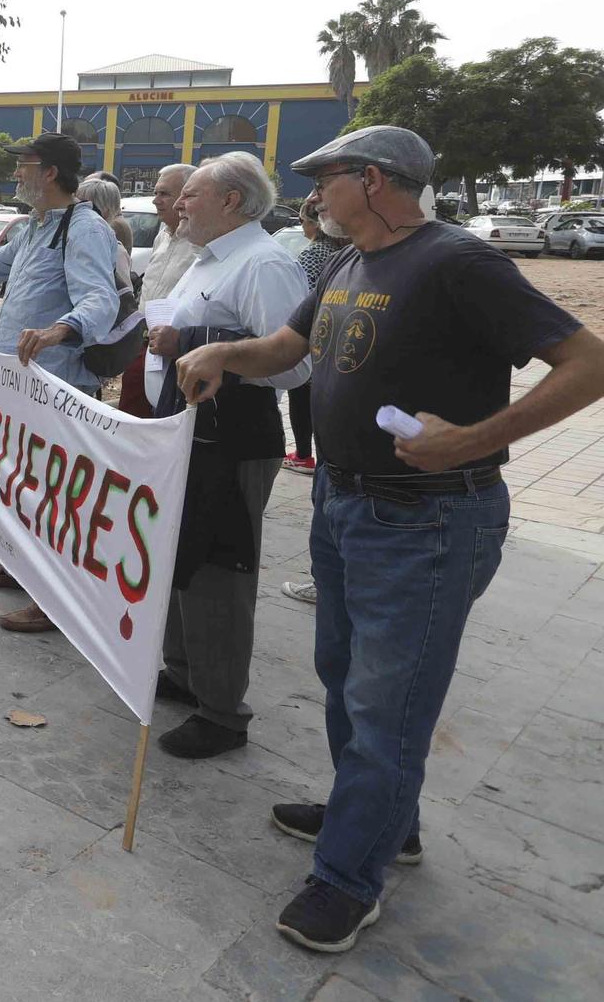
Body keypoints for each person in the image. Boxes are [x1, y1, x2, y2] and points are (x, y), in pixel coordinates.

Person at [173, 125, 604, 954]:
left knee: (387, 705)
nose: (313, 196)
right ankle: (380, 824)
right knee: (344, 678)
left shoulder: (457, 262)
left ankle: (347, 879)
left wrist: (473, 438)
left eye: (325, 180)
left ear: (372, 181)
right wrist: (227, 350)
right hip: (345, 503)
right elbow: (286, 347)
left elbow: (588, 362)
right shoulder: (344, 261)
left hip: (429, 516)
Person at [145, 153, 312, 761]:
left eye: (189, 194)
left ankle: (221, 712)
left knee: (219, 571)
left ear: (232, 201)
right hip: (184, 429)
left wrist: (193, 342)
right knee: (178, 556)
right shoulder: (205, 260)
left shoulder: (264, 263)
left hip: (232, 439)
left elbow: (295, 364)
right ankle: (186, 673)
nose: (177, 204)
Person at [0, 133, 121, 633]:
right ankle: (18, 566)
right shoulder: (37, 226)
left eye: (24, 165)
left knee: (53, 493)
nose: (16, 174)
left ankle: (54, 601)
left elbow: (99, 300)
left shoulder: (84, 229)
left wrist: (62, 328)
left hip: (57, 383)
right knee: (19, 481)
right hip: (16, 382)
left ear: (51, 173)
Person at [123, 163, 202, 416]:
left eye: (165, 194)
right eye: (156, 193)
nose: (156, 200)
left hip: (176, 351)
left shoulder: (200, 243)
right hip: (144, 346)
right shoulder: (162, 236)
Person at [285, 199, 340, 475]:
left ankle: (304, 454)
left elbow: (300, 298)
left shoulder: (313, 253)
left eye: (303, 222)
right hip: (334, 341)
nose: (302, 227)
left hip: (308, 339)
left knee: (300, 396)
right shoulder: (342, 252)